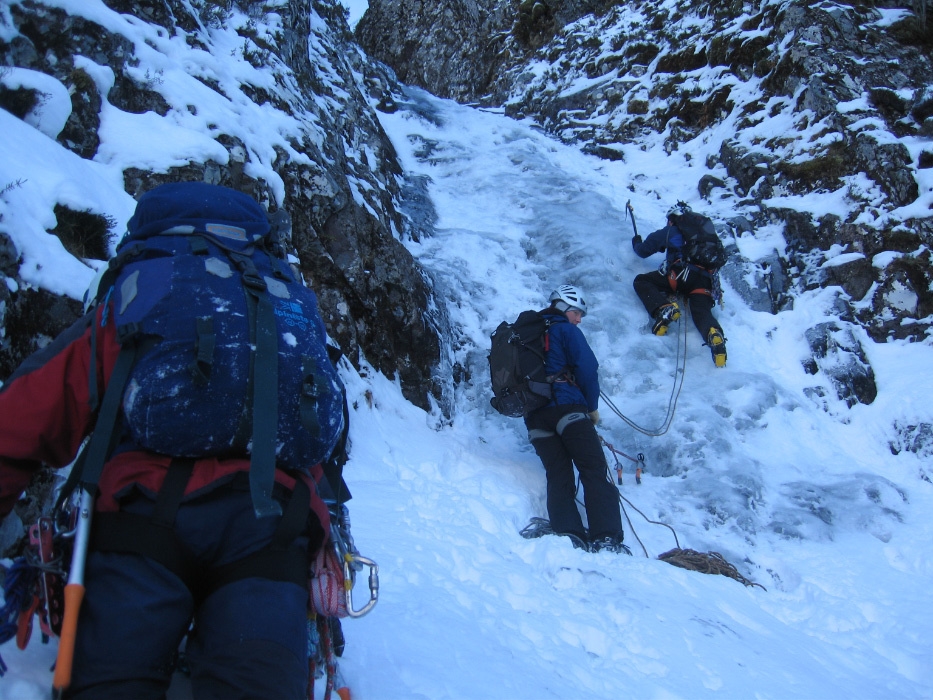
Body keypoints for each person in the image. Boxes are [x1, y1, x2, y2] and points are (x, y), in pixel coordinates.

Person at [0, 185, 339, 699]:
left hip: (143, 520)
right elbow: (324, 437)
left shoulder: (144, 291)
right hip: (270, 524)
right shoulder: (282, 302)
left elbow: (22, 418)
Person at [523, 285, 627, 554]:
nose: (579, 319)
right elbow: (588, 368)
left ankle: (569, 533)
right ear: (564, 308)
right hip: (567, 408)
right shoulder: (565, 330)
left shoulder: (525, 336)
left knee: (558, 474)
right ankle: (606, 538)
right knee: (592, 469)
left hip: (535, 418)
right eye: (577, 312)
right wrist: (591, 408)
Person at [631, 202, 727, 367]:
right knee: (701, 312)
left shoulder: (672, 231)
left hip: (680, 276)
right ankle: (714, 333)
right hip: (705, 282)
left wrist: (636, 241)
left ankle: (664, 309)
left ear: (673, 219)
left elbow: (643, 251)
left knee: (642, 281)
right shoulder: (707, 237)